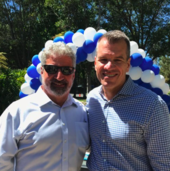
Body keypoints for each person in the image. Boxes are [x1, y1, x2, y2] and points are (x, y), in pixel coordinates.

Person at [86, 30, 170, 170]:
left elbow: (164, 165)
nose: (109, 66)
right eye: (103, 59)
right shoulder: (92, 98)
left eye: (117, 60)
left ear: (128, 64)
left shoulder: (152, 105)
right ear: (95, 62)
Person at [0, 42, 89, 171]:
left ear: (73, 74)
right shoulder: (17, 112)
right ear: (42, 71)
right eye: (52, 69)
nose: (59, 76)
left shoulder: (82, 112)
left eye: (66, 70)